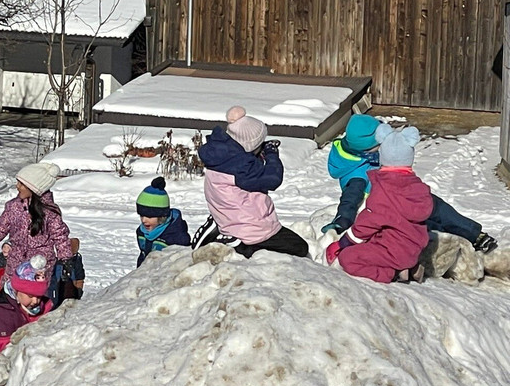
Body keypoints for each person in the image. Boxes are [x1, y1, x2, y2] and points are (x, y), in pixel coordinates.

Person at [324, 113, 498, 253]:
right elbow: (349, 200)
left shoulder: (361, 154)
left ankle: (473, 234)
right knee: (429, 215)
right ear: (366, 149)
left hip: (399, 195)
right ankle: (465, 239)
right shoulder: (356, 176)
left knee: (434, 205)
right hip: (389, 206)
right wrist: (341, 222)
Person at [195, 106, 309, 259]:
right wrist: (271, 154)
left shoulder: (223, 155)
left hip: (231, 215)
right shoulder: (241, 167)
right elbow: (273, 179)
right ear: (250, 147)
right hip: (249, 228)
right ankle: (240, 247)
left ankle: (223, 229)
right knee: (300, 248)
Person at [327, 124, 431, 283]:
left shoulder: (384, 191)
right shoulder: (418, 187)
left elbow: (367, 224)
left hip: (392, 250)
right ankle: (410, 266)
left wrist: (343, 243)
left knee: (348, 258)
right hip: (414, 247)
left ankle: (393, 273)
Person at [0, 162, 74, 283]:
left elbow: (60, 237)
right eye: (18, 182)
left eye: (22, 184)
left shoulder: (50, 211)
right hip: (15, 260)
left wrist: (65, 260)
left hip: (40, 264)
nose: (17, 186)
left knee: (32, 296)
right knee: (12, 292)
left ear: (34, 188)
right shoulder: (13, 207)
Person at [0, 258, 53, 357]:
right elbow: (5, 349)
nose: (35, 301)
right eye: (30, 296)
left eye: (39, 296)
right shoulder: (3, 314)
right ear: (17, 291)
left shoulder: (42, 307)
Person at [135, 177, 191, 266]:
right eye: (141, 215)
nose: (144, 220)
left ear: (162, 217)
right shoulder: (141, 232)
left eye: (149, 216)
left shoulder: (176, 236)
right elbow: (143, 256)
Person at [51, 238, 85, 307]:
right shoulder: (58, 260)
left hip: (70, 284)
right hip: (59, 284)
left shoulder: (76, 260)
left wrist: (79, 288)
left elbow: (79, 275)